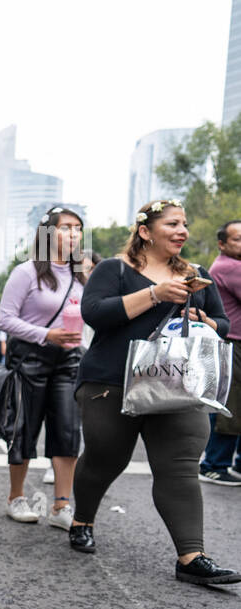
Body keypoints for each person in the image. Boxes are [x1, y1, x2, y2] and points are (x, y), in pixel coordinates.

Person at [69, 199, 238, 586]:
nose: (183, 231)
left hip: (178, 384)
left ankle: (191, 557)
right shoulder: (115, 269)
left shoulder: (196, 275)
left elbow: (224, 324)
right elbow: (95, 313)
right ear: (145, 231)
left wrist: (204, 319)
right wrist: (157, 294)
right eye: (173, 224)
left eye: (184, 224)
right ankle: (82, 519)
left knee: (180, 466)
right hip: (111, 384)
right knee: (104, 459)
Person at [0, 206, 87, 527]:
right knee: (24, 429)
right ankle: (15, 497)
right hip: (30, 359)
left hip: (69, 360)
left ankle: (62, 507)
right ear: (48, 233)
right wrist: (47, 334)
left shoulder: (82, 275)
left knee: (66, 430)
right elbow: (5, 319)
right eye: (65, 228)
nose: (73, 234)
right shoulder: (27, 272)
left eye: (78, 228)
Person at [198, 219, 241, 485]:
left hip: (234, 342)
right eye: (237, 239)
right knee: (231, 406)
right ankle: (214, 464)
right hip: (234, 343)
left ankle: (230, 463)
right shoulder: (230, 267)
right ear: (222, 244)